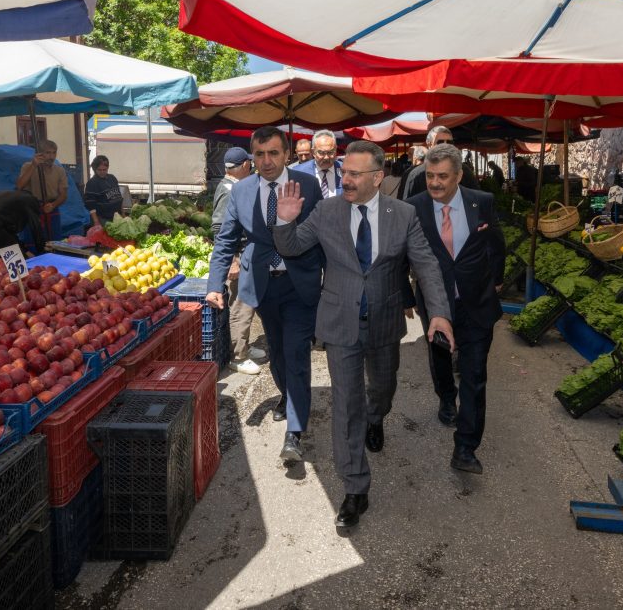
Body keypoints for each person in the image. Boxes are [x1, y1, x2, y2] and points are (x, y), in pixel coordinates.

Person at [273, 140, 453, 528]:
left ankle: (378, 417)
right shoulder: (327, 210)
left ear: (377, 177)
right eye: (345, 172)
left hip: (386, 321)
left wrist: (438, 314)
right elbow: (292, 247)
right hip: (340, 322)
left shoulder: (402, 214)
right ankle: (355, 487)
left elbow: (425, 264)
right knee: (346, 404)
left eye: (355, 174)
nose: (346, 180)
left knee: (382, 389)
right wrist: (285, 219)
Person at [207, 127, 324, 462]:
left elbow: (323, 235)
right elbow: (226, 239)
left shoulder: (309, 186)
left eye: (274, 153)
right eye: (259, 154)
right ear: (251, 157)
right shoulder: (241, 191)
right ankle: (287, 396)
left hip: (300, 284)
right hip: (261, 286)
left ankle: (294, 433)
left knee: (297, 353)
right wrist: (215, 284)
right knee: (277, 351)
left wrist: (334, 283)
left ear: (287, 154)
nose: (267, 160)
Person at [407, 144, 506, 474]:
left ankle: (465, 447)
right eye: (430, 176)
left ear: (459, 176)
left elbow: (496, 243)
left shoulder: (482, 202)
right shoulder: (414, 208)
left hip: (476, 302)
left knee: (476, 375)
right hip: (436, 304)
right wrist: (408, 298)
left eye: (442, 177)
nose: (435, 183)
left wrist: (497, 280)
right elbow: (401, 255)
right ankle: (446, 397)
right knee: (440, 356)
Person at [211, 147, 266, 375]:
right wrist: (232, 260)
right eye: (249, 163)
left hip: (246, 253)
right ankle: (238, 355)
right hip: (238, 256)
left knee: (249, 303)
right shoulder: (228, 190)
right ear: (244, 165)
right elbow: (219, 228)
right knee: (241, 304)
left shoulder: (233, 186)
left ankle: (244, 346)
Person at [16, 139, 68, 242]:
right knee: (33, 243)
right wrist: (34, 165)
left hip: (52, 207)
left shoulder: (59, 170)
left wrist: (53, 205)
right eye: (48, 153)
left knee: (54, 243)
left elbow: (63, 195)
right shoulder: (28, 166)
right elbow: (19, 186)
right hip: (33, 209)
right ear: (40, 154)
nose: (52, 156)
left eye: (54, 153)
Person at [404, 127, 455, 199]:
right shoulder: (416, 175)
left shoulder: (462, 171)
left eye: (449, 142)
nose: (445, 146)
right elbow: (406, 206)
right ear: (429, 145)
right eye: (440, 142)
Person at [292, 130, 343, 199]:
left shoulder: (346, 169)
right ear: (313, 152)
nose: (326, 157)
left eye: (330, 152)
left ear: (336, 150)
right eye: (321, 153)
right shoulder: (298, 172)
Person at [83, 155, 123, 227]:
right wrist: (96, 222)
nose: (102, 172)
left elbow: (119, 198)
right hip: (102, 220)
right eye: (99, 170)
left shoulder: (112, 178)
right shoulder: (92, 183)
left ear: (108, 168)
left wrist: (123, 214)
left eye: (104, 169)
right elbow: (90, 205)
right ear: (95, 169)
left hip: (117, 218)